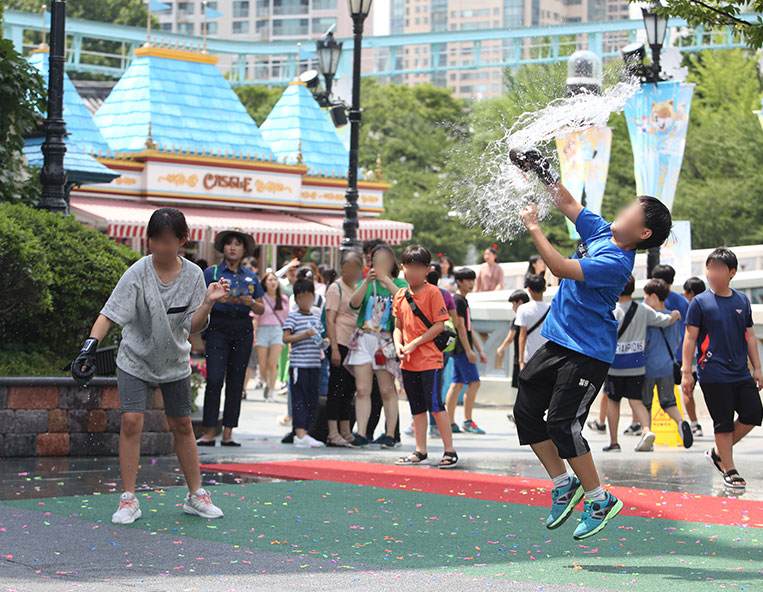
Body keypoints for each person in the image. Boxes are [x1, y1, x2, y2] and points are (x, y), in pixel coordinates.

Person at [510, 148, 672, 540]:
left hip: (588, 354)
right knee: (527, 413)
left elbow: (561, 268)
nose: (625, 207)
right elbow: (566, 201)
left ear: (643, 232)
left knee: (564, 425)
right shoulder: (599, 232)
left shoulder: (617, 262)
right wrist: (540, 168)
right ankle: (564, 484)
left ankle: (599, 498)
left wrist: (533, 226)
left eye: (633, 208)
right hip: (559, 343)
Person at [71, 208, 227, 524]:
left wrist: (208, 302)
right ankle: (128, 499)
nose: (160, 248)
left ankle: (196, 494)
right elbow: (110, 313)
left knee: (183, 424)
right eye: (155, 240)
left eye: (168, 241)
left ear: (182, 241)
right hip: (135, 358)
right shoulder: (138, 272)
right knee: (131, 421)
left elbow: (193, 326)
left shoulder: (195, 275)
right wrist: (89, 347)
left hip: (174, 360)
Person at [682, 248, 763, 491]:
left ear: (732, 273)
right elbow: (689, 338)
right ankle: (729, 468)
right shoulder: (699, 302)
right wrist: (687, 372)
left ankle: (719, 453)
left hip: (740, 371)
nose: (712, 273)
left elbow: (749, 336)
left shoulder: (741, 300)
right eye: (709, 268)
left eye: (718, 269)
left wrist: (757, 367)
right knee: (723, 422)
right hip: (713, 372)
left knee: (753, 414)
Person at [392, 245, 458, 468]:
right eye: (409, 267)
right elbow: (397, 325)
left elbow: (440, 325)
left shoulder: (433, 293)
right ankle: (420, 450)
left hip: (430, 359)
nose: (413, 272)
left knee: (435, 405)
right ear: (403, 268)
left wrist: (414, 343)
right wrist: (398, 344)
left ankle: (450, 450)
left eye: (418, 267)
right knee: (416, 406)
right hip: (408, 360)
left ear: (426, 269)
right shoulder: (400, 295)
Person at [197, 231, 264, 447]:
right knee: (215, 379)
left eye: (237, 244)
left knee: (236, 382)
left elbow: (262, 308)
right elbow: (199, 301)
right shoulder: (212, 272)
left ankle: (228, 433)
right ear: (223, 248)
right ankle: (208, 432)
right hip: (217, 326)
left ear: (244, 250)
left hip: (243, 327)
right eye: (229, 244)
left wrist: (251, 304)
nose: (233, 248)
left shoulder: (251, 276)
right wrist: (214, 301)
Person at [602, 276, 679, 452]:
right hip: (637, 364)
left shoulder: (611, 311)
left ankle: (614, 442)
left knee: (613, 402)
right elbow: (664, 320)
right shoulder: (642, 310)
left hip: (615, 365)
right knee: (636, 401)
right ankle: (646, 430)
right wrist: (675, 314)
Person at [347, 244, 406, 448]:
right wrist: (367, 282)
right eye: (377, 260)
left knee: (387, 390)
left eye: (385, 260)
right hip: (365, 336)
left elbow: (404, 301)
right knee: (362, 389)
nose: (380, 264)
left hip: (386, 339)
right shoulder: (365, 282)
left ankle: (390, 434)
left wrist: (385, 280)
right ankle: (361, 433)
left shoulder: (397, 282)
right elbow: (353, 304)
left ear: (392, 263)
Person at [642, 278, 693, 448]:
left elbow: (645, 344)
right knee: (668, 401)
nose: (645, 301)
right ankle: (681, 422)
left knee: (646, 403)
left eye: (646, 297)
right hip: (667, 367)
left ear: (654, 297)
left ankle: (647, 436)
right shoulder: (673, 317)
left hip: (649, 367)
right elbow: (678, 342)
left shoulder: (650, 319)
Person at [282, 278, 327, 449]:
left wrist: (325, 342)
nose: (305, 301)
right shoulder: (293, 316)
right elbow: (286, 338)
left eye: (308, 297)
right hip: (299, 365)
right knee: (299, 399)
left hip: (315, 364)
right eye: (301, 298)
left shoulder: (316, 316)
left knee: (312, 400)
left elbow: (320, 340)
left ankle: (305, 433)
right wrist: (304, 335)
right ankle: (299, 433)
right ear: (296, 298)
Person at [325, 251, 363, 447]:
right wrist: (334, 349)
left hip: (354, 343)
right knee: (336, 388)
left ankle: (346, 430)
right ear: (344, 268)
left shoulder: (356, 287)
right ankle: (332, 432)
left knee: (349, 389)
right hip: (339, 341)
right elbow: (330, 320)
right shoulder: (335, 288)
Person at [445, 267, 488, 434]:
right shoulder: (459, 300)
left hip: (462, 348)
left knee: (457, 384)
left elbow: (469, 328)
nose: (471, 284)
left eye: (473, 280)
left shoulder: (462, 300)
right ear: (459, 282)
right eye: (468, 280)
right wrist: (469, 350)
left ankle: (450, 422)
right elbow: (460, 326)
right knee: (474, 383)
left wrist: (479, 350)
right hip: (462, 349)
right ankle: (467, 421)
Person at [256, 272, 289, 399]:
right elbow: (256, 318)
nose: (273, 282)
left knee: (272, 363)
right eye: (270, 280)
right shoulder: (261, 298)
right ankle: (265, 382)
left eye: (275, 280)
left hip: (277, 331)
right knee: (263, 365)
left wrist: (287, 334)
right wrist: (254, 334)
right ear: (265, 283)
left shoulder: (283, 298)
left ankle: (270, 390)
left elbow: (287, 318)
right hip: (262, 330)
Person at [682, 276, 707, 435]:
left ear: (690, 293)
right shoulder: (710, 305)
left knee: (687, 391)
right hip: (707, 357)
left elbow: (688, 338)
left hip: (694, 359)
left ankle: (695, 423)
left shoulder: (691, 308)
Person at [515, 274, 550, 372]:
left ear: (529, 289)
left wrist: (521, 361)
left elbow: (522, 336)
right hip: (547, 355)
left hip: (529, 356)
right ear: (544, 289)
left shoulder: (523, 309)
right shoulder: (551, 309)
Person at [496, 290, 531, 388]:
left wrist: (501, 348)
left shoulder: (518, 318)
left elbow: (510, 337)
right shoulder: (533, 315)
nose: (513, 308)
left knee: (521, 387)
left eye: (513, 304)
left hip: (520, 357)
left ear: (520, 302)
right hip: (533, 355)